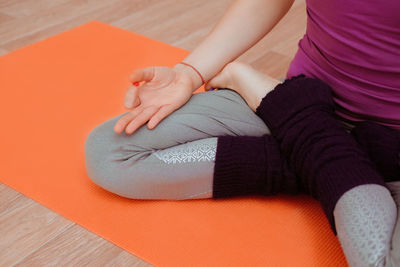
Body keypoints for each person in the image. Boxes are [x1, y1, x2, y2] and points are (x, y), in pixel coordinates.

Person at [84, 0, 400, 266]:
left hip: (300, 113)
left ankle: (313, 139)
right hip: (294, 99)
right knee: (111, 152)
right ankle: (342, 158)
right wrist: (189, 72)